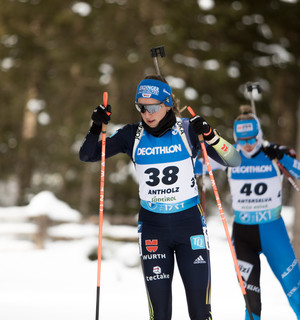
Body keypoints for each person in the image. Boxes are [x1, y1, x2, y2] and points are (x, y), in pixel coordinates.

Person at [79, 74, 241, 320]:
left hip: (189, 226)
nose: (147, 113)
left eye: (153, 106)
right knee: (159, 314)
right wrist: (95, 127)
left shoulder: (187, 130)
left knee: (200, 312)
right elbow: (88, 154)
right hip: (153, 227)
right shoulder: (131, 135)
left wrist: (211, 136)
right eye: (141, 107)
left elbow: (235, 160)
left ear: (167, 104)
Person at [196, 105, 300, 320]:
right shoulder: (229, 154)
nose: (248, 145)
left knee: (296, 296)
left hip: (273, 232)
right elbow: (195, 167)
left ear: (259, 134)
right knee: (251, 303)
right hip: (243, 236)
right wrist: (200, 145)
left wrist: (282, 155)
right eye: (242, 140)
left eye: (252, 139)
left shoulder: (272, 155)